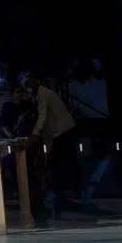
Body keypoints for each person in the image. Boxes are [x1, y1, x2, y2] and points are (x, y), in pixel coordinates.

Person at [25, 77, 82, 215]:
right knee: (69, 160)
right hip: (65, 130)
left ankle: (60, 191)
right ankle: (73, 189)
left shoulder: (44, 95)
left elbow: (43, 116)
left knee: (56, 161)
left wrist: (35, 133)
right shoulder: (45, 94)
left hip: (62, 132)